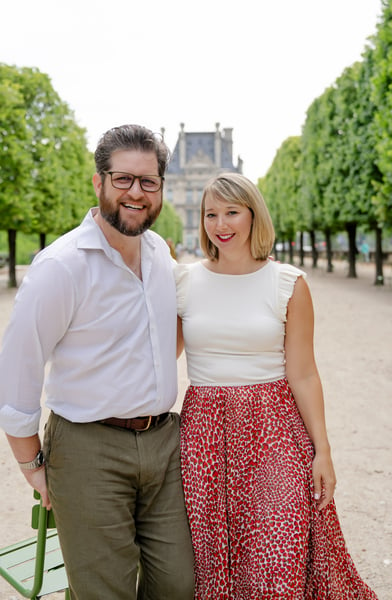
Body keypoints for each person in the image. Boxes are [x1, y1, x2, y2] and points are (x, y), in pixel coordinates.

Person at [0, 124, 194, 600]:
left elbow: (166, 342)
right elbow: (17, 371)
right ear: (99, 182)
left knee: (179, 584)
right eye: (122, 179)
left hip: (164, 442)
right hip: (88, 448)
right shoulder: (61, 266)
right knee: (104, 592)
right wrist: (32, 465)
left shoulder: (161, 256)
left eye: (148, 182)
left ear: (161, 189)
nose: (136, 192)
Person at [175, 172, 378, 599]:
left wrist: (323, 451)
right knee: (214, 556)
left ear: (254, 215)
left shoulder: (288, 282)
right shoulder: (184, 283)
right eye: (211, 214)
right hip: (205, 432)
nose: (220, 224)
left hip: (274, 429)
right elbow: (159, 357)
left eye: (232, 212)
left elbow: (303, 372)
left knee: (278, 550)